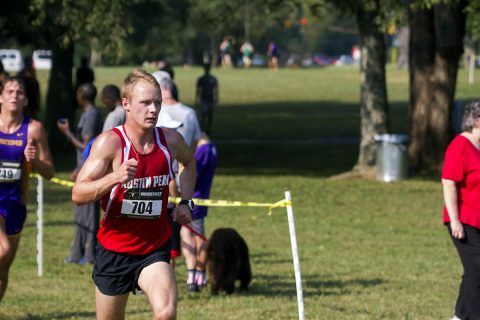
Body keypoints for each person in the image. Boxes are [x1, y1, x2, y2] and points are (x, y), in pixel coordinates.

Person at [71, 69, 196, 319]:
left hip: (154, 249)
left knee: (166, 313)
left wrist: (186, 202)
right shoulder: (111, 143)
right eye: (146, 103)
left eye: (157, 103)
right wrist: (114, 177)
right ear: (126, 104)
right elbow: (78, 193)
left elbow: (189, 163)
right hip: (114, 250)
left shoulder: (170, 141)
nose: (153, 109)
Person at [0, 76, 54, 302]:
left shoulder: (33, 129)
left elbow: (49, 171)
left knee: (3, 270)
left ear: (25, 99)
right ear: (0, 97)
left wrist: (35, 161)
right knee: (1, 251)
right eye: (10, 91)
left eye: (19, 92)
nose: (14, 95)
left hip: (15, 205)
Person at [442, 100, 480, 320]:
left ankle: (459, 317)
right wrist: (454, 220)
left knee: (474, 271)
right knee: (477, 271)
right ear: (476, 121)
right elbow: (448, 182)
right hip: (464, 220)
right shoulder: (460, 145)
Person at [57, 83, 103, 265]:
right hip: (84, 170)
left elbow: (87, 147)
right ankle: (78, 253)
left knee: (90, 215)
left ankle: (90, 254)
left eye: (77, 94)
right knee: (81, 215)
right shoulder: (87, 114)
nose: (75, 97)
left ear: (82, 96)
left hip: (90, 172)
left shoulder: (91, 116)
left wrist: (67, 133)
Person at [182, 132, 217, 291]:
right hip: (200, 198)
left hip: (194, 199)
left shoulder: (202, 150)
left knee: (196, 237)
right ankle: (197, 274)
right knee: (193, 234)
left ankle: (198, 275)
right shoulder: (211, 148)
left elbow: (192, 175)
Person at [195, 63, 218, 135]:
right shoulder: (201, 79)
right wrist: (197, 99)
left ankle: (208, 128)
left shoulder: (213, 79)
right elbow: (198, 90)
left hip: (210, 99)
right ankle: (204, 129)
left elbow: (216, 90)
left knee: (210, 115)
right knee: (203, 115)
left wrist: (216, 98)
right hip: (204, 99)